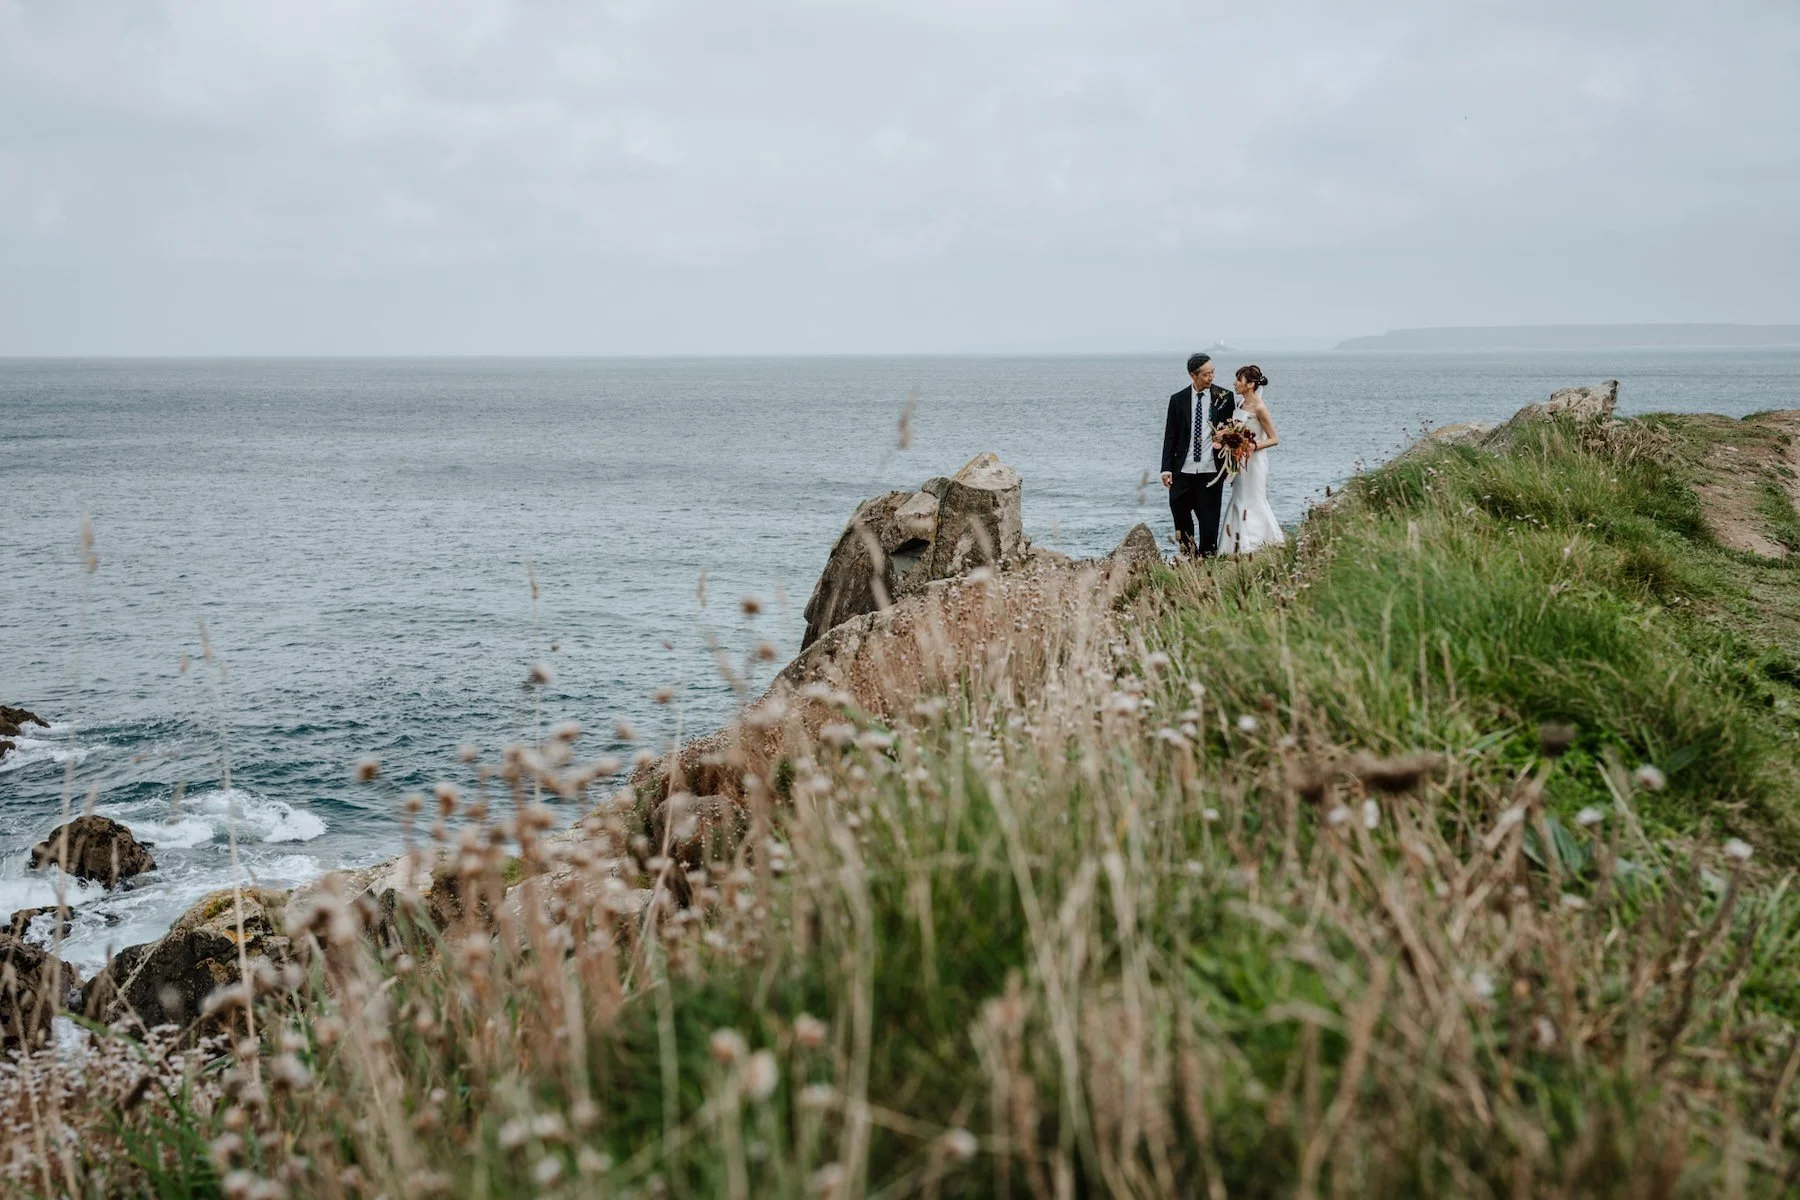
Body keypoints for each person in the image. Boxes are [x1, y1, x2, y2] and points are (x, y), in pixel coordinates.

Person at [1160, 352, 1237, 557]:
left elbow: (1234, 431)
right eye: (1206, 374)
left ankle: (1208, 566)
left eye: (1213, 373)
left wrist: (1227, 442)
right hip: (1182, 473)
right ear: (1193, 375)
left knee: (1209, 526)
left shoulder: (1225, 397)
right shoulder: (1177, 400)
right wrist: (1166, 469)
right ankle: (1189, 562)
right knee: (1181, 520)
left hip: (1211, 473)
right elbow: (1170, 437)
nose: (1211, 378)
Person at [1221, 364, 1285, 555]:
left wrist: (1253, 446)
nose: (1235, 383)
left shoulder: (1260, 408)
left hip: (1255, 463)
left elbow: (1274, 439)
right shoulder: (1240, 404)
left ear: (1250, 384)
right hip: (1240, 462)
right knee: (1239, 499)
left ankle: (1258, 543)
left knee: (1255, 500)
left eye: (1238, 380)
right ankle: (1236, 547)